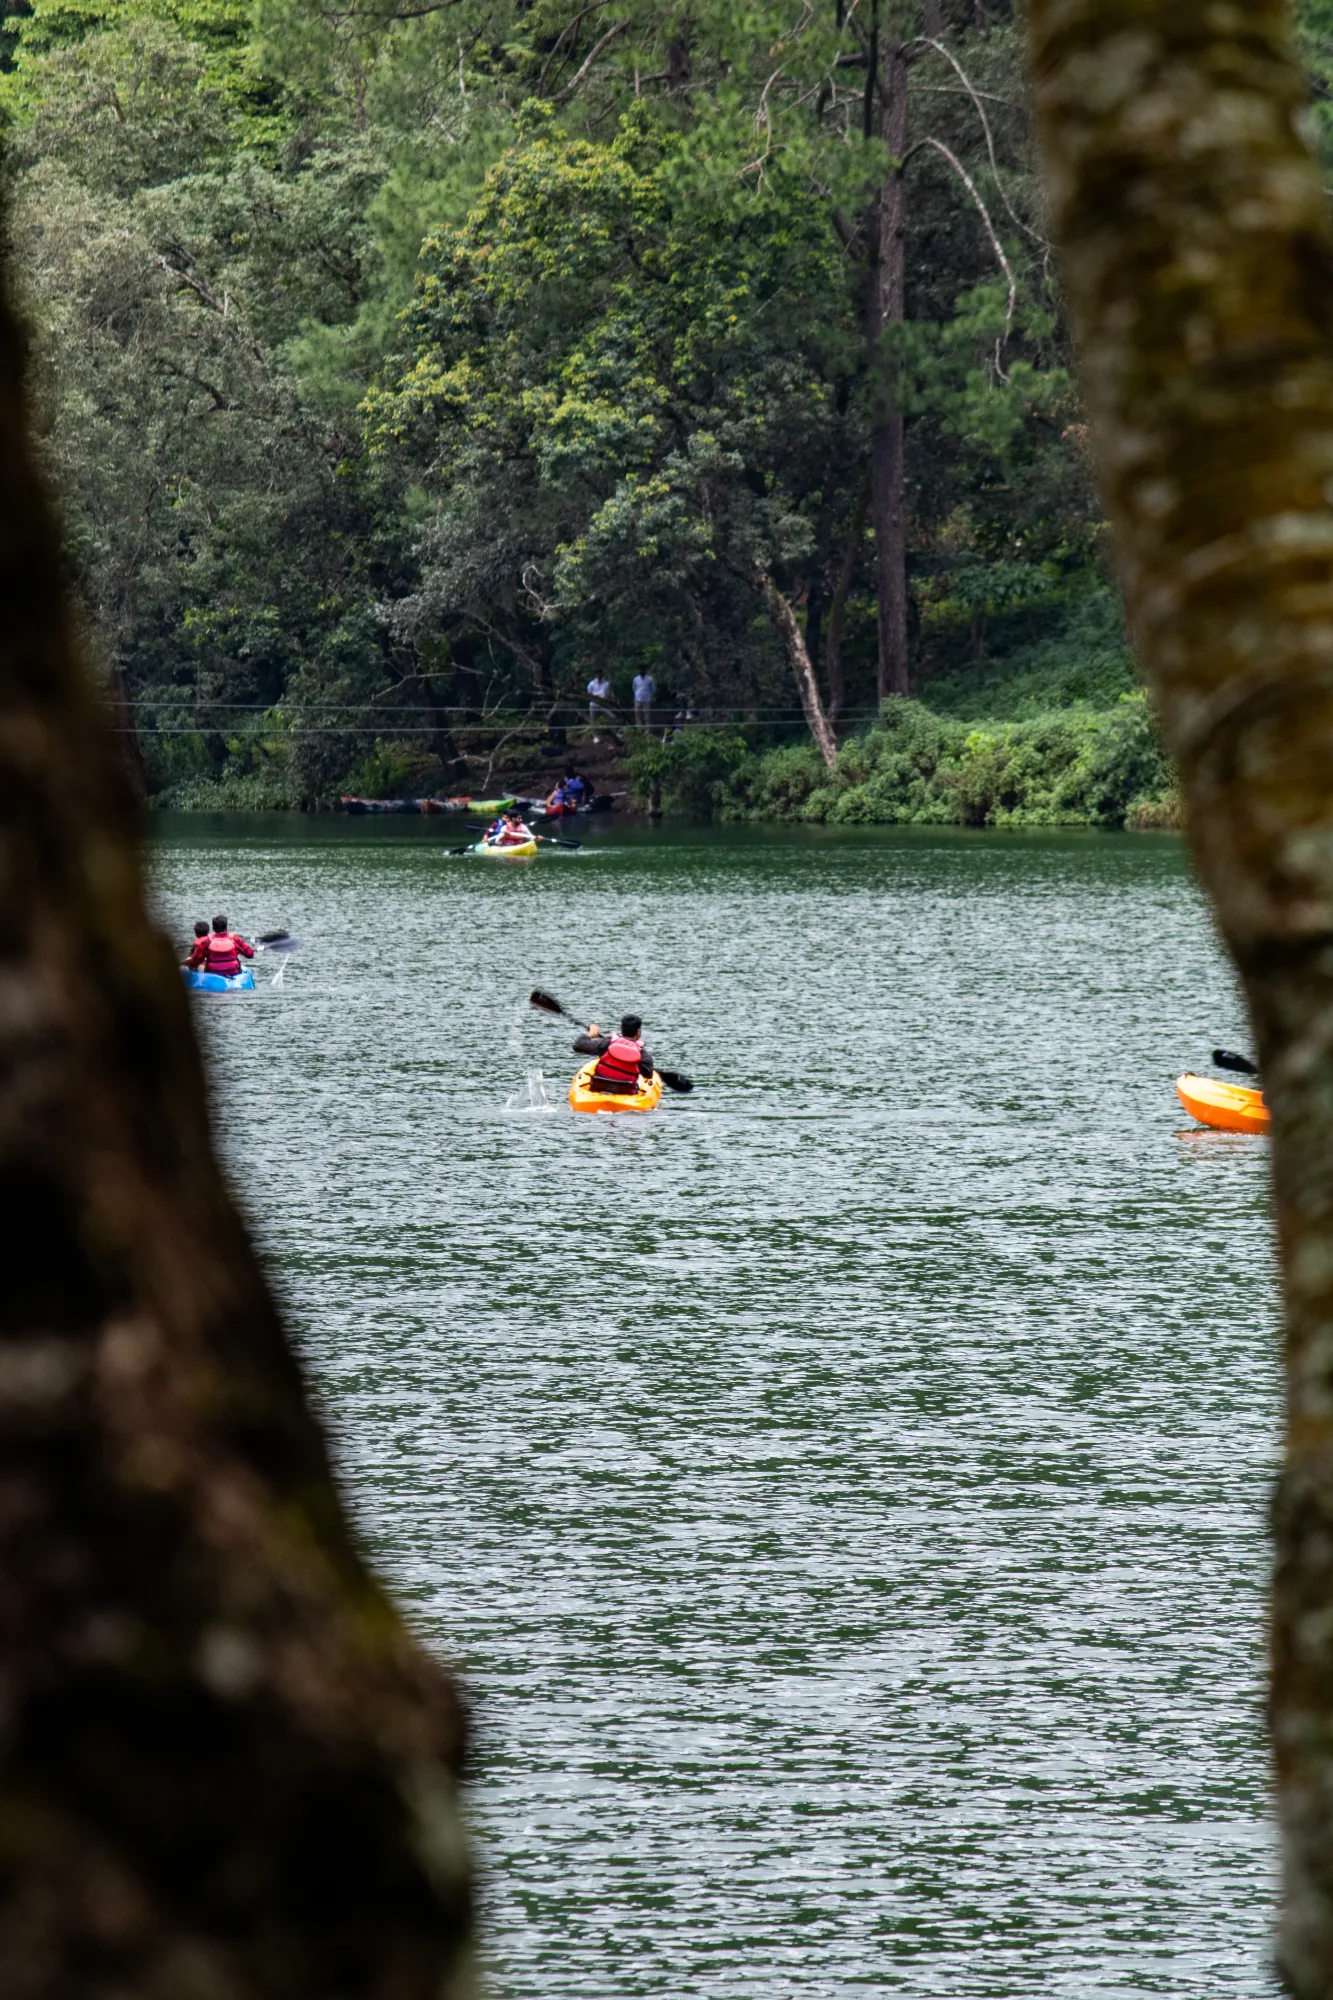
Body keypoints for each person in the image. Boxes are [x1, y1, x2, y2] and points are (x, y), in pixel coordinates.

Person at [572, 1014, 655, 1095]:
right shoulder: (642, 1054)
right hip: (625, 1094)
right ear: (638, 1032)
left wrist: (591, 1034)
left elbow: (578, 1045)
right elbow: (647, 1074)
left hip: (599, 1091)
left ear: (621, 1030)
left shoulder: (606, 1044)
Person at [189, 915, 255, 978]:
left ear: (213, 928)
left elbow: (195, 961)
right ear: (226, 928)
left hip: (212, 974)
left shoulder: (206, 942)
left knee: (198, 966)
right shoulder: (235, 940)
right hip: (233, 973)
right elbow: (250, 954)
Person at [587, 671, 613, 741]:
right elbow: (589, 694)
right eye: (597, 673)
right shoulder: (591, 684)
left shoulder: (606, 683)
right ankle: (595, 736)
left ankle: (613, 734)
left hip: (603, 704)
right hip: (594, 704)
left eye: (600, 673)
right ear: (595, 675)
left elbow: (607, 694)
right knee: (593, 721)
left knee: (611, 717)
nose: (599, 675)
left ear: (602, 674)